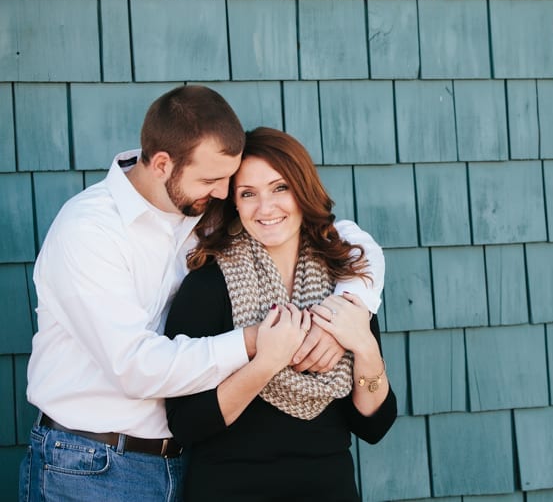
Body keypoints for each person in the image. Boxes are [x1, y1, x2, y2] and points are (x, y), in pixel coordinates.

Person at [19, 86, 384, 502]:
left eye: (230, 181)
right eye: (213, 180)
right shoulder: (90, 232)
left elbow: (351, 240)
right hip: (91, 462)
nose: (225, 193)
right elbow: (135, 367)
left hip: (173, 464)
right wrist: (256, 342)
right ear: (162, 164)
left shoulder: (196, 212)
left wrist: (348, 311)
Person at [163, 126, 397, 501]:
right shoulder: (208, 285)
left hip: (328, 489)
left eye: (279, 188)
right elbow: (186, 424)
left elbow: (373, 426)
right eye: (248, 193)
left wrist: (365, 348)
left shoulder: (346, 283)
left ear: (302, 191)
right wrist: (265, 363)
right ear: (234, 204)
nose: (266, 207)